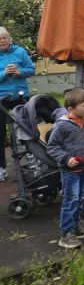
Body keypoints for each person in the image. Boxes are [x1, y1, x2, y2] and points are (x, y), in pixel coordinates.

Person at [46, 88, 84, 249]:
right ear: (71, 109)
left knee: (80, 200)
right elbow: (52, 147)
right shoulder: (62, 126)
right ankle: (66, 234)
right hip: (70, 171)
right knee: (70, 201)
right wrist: (66, 158)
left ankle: (76, 227)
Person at [0, 27, 35, 182]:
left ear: (9, 38)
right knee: (0, 134)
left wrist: (19, 72)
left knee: (27, 130)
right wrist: (4, 74)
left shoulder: (20, 52)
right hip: (1, 100)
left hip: (20, 97)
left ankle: (33, 161)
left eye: (3, 38)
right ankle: (1, 168)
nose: (1, 41)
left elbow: (31, 69)